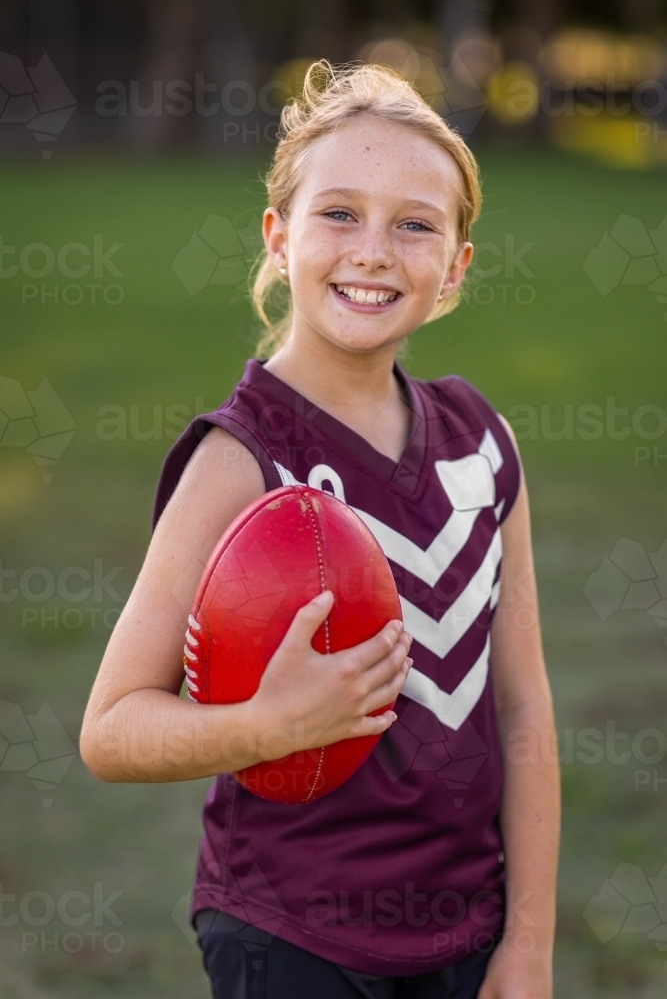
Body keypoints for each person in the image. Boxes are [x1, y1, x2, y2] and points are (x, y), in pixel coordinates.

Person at [80, 61, 560, 999]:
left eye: (415, 225)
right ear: (278, 236)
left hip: (468, 928)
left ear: (455, 268)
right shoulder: (242, 458)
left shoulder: (482, 444)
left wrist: (530, 942)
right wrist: (271, 725)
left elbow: (522, 708)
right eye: (338, 212)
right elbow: (110, 729)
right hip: (291, 938)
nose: (374, 250)